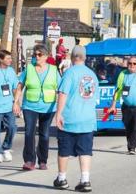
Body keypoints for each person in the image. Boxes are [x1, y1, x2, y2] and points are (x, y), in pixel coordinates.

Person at [54, 45, 99, 192]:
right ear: (85, 58)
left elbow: (63, 93)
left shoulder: (69, 73)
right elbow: (95, 99)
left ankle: (62, 179)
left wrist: (58, 113)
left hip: (70, 118)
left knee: (64, 150)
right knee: (85, 150)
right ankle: (85, 180)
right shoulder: (93, 75)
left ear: (72, 57)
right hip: (87, 119)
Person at [14, 44, 60, 170]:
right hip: (30, 106)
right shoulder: (28, 69)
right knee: (29, 132)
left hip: (48, 107)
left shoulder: (53, 70)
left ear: (46, 56)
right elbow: (19, 86)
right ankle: (29, 160)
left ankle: (43, 160)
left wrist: (63, 107)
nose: (37, 57)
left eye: (39, 54)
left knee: (44, 134)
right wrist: (16, 102)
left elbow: (61, 89)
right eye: (35, 54)